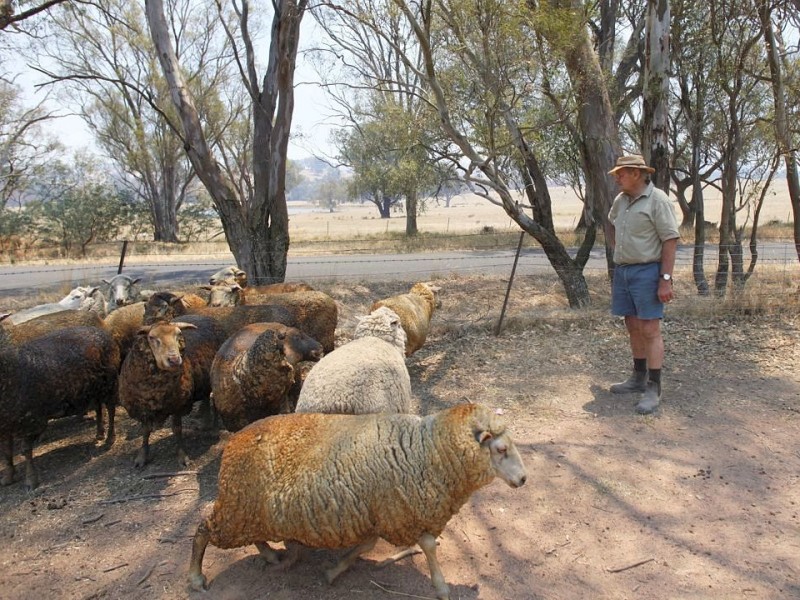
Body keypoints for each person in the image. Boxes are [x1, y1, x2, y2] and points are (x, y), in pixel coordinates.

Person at [607, 154, 680, 414]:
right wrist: (621, 253)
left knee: (650, 328)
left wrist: (665, 279)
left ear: (637, 173)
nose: (617, 178)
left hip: (649, 271)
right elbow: (612, 225)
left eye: (621, 173)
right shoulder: (621, 200)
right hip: (624, 271)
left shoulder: (658, 200)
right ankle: (637, 377)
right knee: (632, 324)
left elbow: (670, 240)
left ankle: (654, 386)